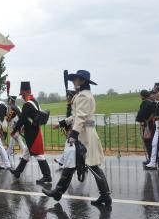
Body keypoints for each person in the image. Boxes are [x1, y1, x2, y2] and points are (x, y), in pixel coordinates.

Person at [42, 70, 111, 206]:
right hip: (83, 133)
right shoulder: (82, 95)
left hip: (84, 135)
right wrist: (62, 123)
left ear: (82, 81)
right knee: (72, 165)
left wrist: (73, 134)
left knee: (91, 166)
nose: (73, 82)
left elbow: (80, 117)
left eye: (76, 80)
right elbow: (75, 116)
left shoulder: (84, 96)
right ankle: (59, 192)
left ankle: (105, 196)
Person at [9, 82, 52, 184]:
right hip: (34, 131)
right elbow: (30, 118)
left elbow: (22, 119)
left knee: (39, 155)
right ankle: (18, 172)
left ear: (25, 92)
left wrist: (14, 130)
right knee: (26, 154)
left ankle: (47, 176)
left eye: (22, 94)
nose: (22, 97)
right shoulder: (35, 101)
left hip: (33, 134)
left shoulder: (27, 104)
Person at [53, 90, 76, 166]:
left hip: (73, 129)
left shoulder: (72, 106)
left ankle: (65, 163)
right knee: (68, 145)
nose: (67, 97)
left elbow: (71, 118)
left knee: (69, 146)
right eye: (67, 96)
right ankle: (62, 161)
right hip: (70, 128)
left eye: (68, 96)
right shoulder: (70, 106)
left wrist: (66, 127)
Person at [136, 90, 157, 163]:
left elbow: (142, 114)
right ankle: (158, 157)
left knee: (148, 141)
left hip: (148, 124)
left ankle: (151, 159)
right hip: (153, 124)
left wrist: (141, 121)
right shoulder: (153, 102)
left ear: (142, 95)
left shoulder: (145, 103)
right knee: (153, 141)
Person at [5, 95, 27, 160]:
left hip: (15, 127)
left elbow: (8, 119)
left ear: (11, 100)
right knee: (18, 142)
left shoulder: (12, 108)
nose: (8, 101)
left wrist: (6, 115)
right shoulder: (17, 107)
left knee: (14, 142)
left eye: (9, 100)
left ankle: (6, 155)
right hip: (17, 127)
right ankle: (24, 154)